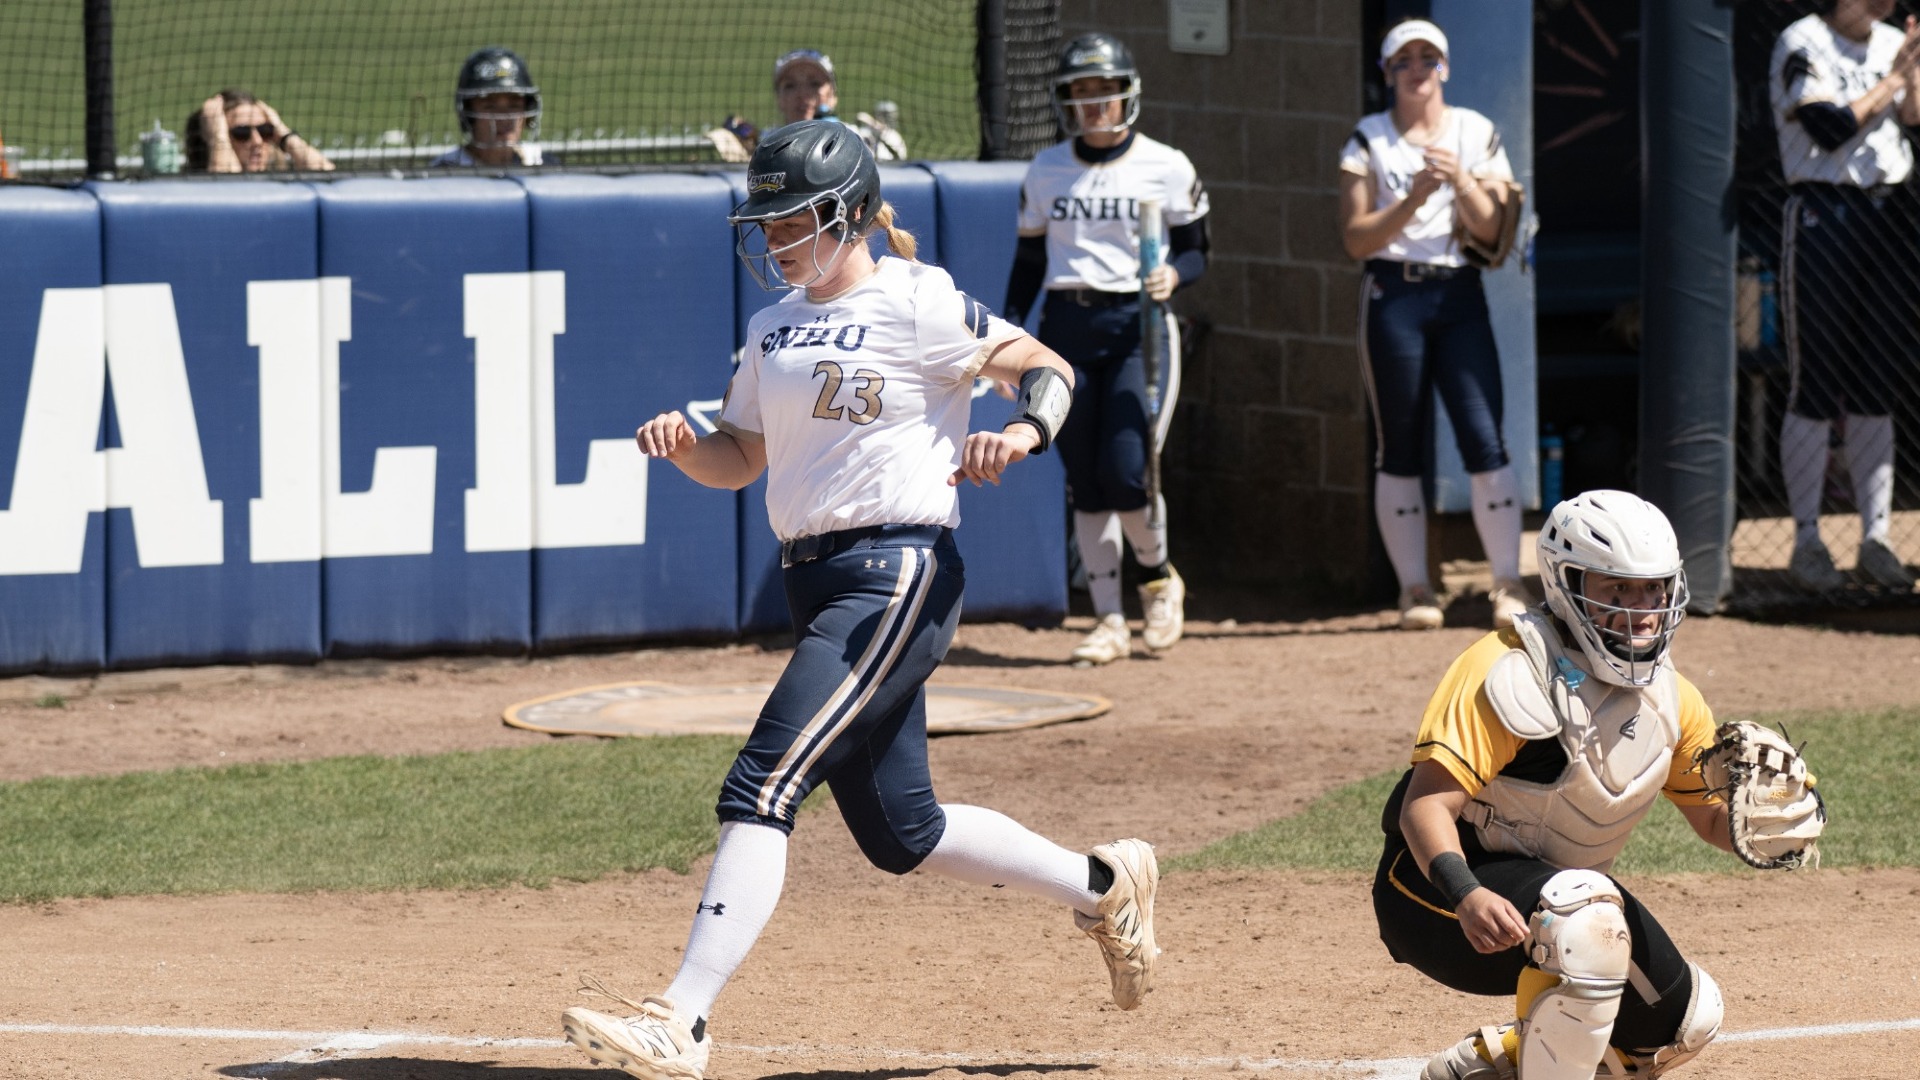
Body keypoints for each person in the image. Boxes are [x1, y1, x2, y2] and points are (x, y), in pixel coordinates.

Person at [558, 120, 1160, 1080]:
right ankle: (1103, 886)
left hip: (897, 571)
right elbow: (743, 457)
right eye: (765, 223)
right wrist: (687, 448)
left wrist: (1026, 435)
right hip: (817, 576)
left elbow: (1048, 369)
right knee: (899, 832)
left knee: (762, 782)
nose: (773, 240)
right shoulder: (771, 326)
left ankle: (684, 1018)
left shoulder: (917, 299)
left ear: (844, 212)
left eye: (790, 220)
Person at [1373, 490, 1811, 1080]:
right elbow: (1425, 806)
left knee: (1682, 1024)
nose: (1644, 609)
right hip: (1433, 899)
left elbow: (1709, 818)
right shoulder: (1508, 671)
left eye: (1654, 588)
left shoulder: (1674, 702)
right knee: (1583, 911)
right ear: (1567, 586)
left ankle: (1491, 1065)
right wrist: (1466, 894)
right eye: (1618, 591)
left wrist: (1764, 820)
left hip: (1554, 910)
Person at [1003, 31, 1209, 666]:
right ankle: (1109, 620)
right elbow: (1030, 264)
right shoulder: (1045, 170)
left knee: (1127, 470)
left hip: (1137, 326)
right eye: (1081, 94)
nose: (1094, 105)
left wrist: (1175, 274)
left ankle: (1157, 580)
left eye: (1104, 92)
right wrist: (1008, 337)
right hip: (1067, 324)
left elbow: (1198, 248)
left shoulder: (1166, 164)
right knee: (1085, 481)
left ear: (1128, 94)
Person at [1338, 19, 1529, 631]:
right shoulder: (1368, 138)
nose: (1417, 70)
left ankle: (1506, 581)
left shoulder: (1474, 131)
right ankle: (1414, 588)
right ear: (1388, 70)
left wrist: (1462, 180)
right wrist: (1416, 198)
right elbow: (1356, 238)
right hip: (1395, 293)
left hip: (1458, 292)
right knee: (1400, 440)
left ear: (1444, 67)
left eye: (1428, 59)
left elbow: (1494, 229)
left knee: (1484, 435)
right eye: (1405, 61)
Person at [1771, 0, 1920, 592]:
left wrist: (1913, 75)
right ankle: (1807, 541)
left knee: (1875, 385)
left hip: (1890, 214)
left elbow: (1914, 120)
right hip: (1823, 213)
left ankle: (1875, 540)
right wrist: (1894, 79)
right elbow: (1828, 126)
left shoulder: (1892, 42)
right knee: (1816, 382)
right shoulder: (1802, 40)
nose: (1883, 4)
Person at [770, 47, 906, 161]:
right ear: (779, 98)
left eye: (815, 84)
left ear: (833, 96)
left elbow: (896, 155)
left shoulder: (859, 140)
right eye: (790, 86)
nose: (802, 93)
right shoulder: (764, 144)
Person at [431, 46, 543, 168]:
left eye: (514, 106)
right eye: (490, 107)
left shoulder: (542, 163)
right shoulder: (445, 172)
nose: (504, 118)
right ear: (468, 112)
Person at [184, 89, 334, 173]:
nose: (257, 141)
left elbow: (329, 177)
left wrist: (285, 135)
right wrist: (219, 138)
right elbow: (227, 193)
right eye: (242, 133)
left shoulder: (281, 183)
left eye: (265, 131)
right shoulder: (196, 189)